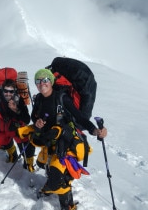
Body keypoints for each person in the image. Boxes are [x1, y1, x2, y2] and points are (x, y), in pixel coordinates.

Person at [31, 69, 107, 210]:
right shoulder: (39, 99)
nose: (42, 84)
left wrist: (94, 130)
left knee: (59, 177)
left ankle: (67, 205)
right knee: (46, 167)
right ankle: (51, 184)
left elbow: (80, 117)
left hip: (65, 143)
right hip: (48, 141)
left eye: (45, 80)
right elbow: (33, 116)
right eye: (38, 81)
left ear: (51, 81)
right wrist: (37, 121)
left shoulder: (62, 98)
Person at [0, 79, 35, 172]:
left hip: (17, 129)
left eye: (11, 91)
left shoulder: (19, 100)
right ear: (2, 90)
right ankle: (12, 155)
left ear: (14, 91)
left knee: (26, 148)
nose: (8, 94)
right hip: (4, 129)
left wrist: (16, 110)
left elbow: (26, 119)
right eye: (6, 91)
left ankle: (29, 163)